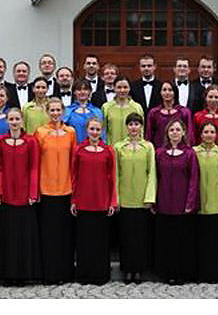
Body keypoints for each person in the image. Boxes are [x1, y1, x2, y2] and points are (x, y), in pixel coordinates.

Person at [0, 108, 42, 285]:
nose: (14, 122)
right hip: (6, 195)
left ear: (22, 121)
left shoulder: (31, 141)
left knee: (23, 236)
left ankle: (23, 274)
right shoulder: (1, 141)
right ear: (7, 121)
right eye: (11, 119)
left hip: (25, 195)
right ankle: (7, 274)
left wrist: (33, 192)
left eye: (17, 119)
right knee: (7, 236)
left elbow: (34, 167)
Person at [34, 98, 77, 284]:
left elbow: (74, 160)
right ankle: (49, 273)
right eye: (52, 110)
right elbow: (36, 161)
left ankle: (65, 272)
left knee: (64, 234)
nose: (55, 113)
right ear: (47, 111)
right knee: (48, 234)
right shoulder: (41, 132)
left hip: (66, 189)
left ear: (63, 111)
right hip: (47, 188)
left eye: (58, 110)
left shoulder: (71, 132)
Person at [70, 118, 117, 285]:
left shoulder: (108, 151)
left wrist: (112, 202)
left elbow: (112, 177)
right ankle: (84, 275)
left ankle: (100, 275)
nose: (95, 132)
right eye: (92, 129)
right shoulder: (79, 150)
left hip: (102, 201)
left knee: (100, 241)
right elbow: (74, 176)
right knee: (84, 241)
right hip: (83, 201)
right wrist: (73, 200)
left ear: (102, 131)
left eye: (98, 129)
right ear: (87, 130)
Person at [153, 119, 200, 284]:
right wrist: (154, 201)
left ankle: (182, 273)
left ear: (183, 133)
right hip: (164, 203)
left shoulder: (189, 154)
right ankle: (167, 273)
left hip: (182, 205)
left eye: (178, 130)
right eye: (171, 130)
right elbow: (155, 178)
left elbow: (194, 179)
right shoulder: (159, 153)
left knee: (182, 241)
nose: (175, 132)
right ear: (167, 133)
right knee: (166, 240)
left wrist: (190, 203)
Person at [114, 112, 156, 284]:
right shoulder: (118, 147)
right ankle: (127, 269)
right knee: (126, 236)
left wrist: (149, 197)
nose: (133, 127)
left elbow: (152, 173)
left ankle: (138, 270)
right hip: (124, 198)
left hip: (141, 199)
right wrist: (115, 198)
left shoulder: (148, 147)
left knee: (140, 237)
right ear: (126, 127)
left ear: (141, 127)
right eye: (131, 124)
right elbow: (116, 174)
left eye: (136, 124)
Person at [193, 122, 218, 283]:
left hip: (216, 203)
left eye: (212, 132)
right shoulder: (194, 152)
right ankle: (199, 272)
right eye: (206, 132)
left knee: (214, 241)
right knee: (199, 240)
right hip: (199, 203)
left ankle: (214, 273)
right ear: (200, 134)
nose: (209, 135)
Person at [145, 81, 194, 147]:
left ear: (175, 92)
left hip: (180, 150)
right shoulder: (154, 113)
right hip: (159, 150)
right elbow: (149, 135)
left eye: (170, 90)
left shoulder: (184, 112)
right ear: (160, 93)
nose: (167, 92)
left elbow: (189, 134)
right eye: (164, 90)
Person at [102, 76, 144, 146]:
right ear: (114, 88)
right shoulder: (106, 107)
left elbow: (141, 131)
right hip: (111, 148)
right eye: (119, 87)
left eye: (125, 87)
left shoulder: (137, 107)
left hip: (131, 149)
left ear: (129, 88)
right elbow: (103, 131)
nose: (122, 90)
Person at [63, 79, 106, 144]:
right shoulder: (67, 111)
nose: (82, 92)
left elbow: (102, 134)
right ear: (74, 92)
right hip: (74, 147)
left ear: (90, 91)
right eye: (79, 89)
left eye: (85, 89)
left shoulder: (97, 112)